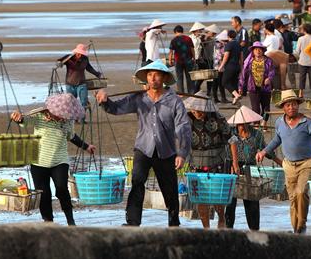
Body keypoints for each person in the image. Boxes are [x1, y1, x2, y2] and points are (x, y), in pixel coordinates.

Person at [96, 60, 192, 227]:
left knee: (170, 189)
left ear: (163, 78)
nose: (152, 78)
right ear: (146, 79)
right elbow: (117, 108)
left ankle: (174, 222)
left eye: (156, 75)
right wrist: (104, 101)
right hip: (143, 149)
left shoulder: (174, 101)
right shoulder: (138, 98)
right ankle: (132, 221)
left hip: (166, 151)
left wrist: (182, 153)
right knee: (137, 182)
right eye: (149, 75)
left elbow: (183, 127)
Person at [10, 93, 95, 226]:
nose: (64, 116)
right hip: (38, 161)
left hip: (59, 160)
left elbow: (71, 136)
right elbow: (24, 120)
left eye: (66, 114)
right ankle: (48, 222)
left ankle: (70, 219)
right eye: (62, 113)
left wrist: (86, 146)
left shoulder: (67, 121)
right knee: (44, 194)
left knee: (62, 189)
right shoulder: (39, 116)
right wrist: (18, 117)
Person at [256, 90, 311, 234]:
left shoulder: (307, 122)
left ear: (298, 105)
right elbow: (277, 140)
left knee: (301, 192)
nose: (291, 108)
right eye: (288, 105)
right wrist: (264, 151)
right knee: (292, 198)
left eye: (294, 104)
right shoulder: (279, 122)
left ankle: (301, 224)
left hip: (306, 164)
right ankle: (296, 228)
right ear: (283, 107)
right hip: (289, 165)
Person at [226, 106, 281, 230]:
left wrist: (280, 162)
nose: (241, 126)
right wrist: (233, 164)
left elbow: (267, 151)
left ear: (249, 122)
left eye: (243, 124)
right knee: (229, 203)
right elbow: (229, 147)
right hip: (232, 168)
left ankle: (254, 231)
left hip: (250, 169)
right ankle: (228, 231)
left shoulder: (257, 134)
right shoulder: (231, 132)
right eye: (239, 124)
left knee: (252, 203)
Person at [182, 92, 231, 229]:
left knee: (216, 194)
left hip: (217, 161)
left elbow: (231, 139)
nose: (199, 113)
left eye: (201, 111)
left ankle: (221, 219)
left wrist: (234, 162)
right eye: (196, 110)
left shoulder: (218, 118)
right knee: (201, 196)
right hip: (196, 162)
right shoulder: (186, 119)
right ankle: (206, 228)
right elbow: (179, 139)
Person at [57, 43, 102, 108]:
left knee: (84, 102)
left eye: (81, 53)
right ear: (76, 52)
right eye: (78, 53)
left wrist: (97, 74)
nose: (79, 55)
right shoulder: (69, 58)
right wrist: (59, 64)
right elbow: (59, 61)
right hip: (70, 84)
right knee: (71, 103)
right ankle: (73, 117)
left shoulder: (85, 59)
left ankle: (82, 117)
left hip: (81, 83)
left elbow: (89, 68)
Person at [238, 41, 275, 119]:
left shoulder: (268, 61)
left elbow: (272, 71)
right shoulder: (249, 61)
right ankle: (257, 125)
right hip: (252, 88)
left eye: (260, 49)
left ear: (263, 51)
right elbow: (243, 75)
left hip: (265, 88)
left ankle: (264, 124)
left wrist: (269, 78)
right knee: (255, 109)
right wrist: (240, 87)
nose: (258, 51)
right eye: (255, 49)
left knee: (266, 108)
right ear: (253, 51)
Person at [217, 29, 242, 105]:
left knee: (224, 82)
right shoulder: (238, 44)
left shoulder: (229, 44)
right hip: (237, 66)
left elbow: (226, 56)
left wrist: (221, 66)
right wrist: (242, 66)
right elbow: (241, 57)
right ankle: (235, 99)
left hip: (230, 66)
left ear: (228, 36)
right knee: (234, 83)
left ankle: (237, 95)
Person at [170, 25, 195, 94]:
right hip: (188, 61)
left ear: (175, 32)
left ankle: (181, 93)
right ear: (182, 31)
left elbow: (171, 52)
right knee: (189, 78)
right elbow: (192, 49)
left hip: (178, 61)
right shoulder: (188, 38)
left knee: (179, 78)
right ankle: (191, 92)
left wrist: (170, 61)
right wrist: (194, 58)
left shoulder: (174, 40)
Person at [294, 24, 311, 98]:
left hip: (302, 61)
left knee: (302, 77)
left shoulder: (301, 39)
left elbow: (297, 51)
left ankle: (301, 93)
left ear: (304, 30)